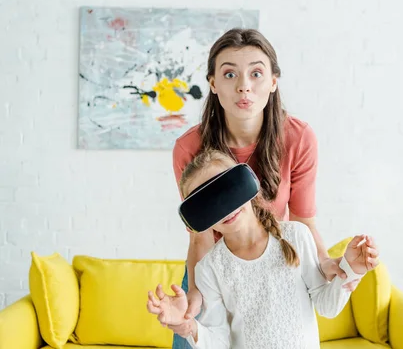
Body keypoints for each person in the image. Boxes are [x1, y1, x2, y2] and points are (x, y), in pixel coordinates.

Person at [171, 28, 378, 348]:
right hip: (215, 267)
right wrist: (196, 296)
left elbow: (303, 220)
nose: (244, 85)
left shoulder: (298, 138)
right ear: (212, 83)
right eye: (229, 74)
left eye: (256, 73)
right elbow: (200, 237)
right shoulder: (189, 148)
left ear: (273, 82)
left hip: (275, 260)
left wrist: (326, 264)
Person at [148, 150, 380, 348]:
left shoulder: (296, 237)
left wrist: (351, 270)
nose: (224, 208)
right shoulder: (210, 268)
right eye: (208, 204)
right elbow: (219, 341)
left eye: (227, 190)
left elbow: (327, 306)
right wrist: (188, 326)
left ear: (245, 185)